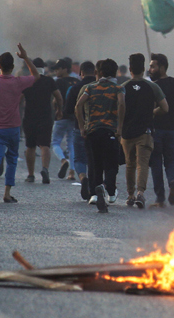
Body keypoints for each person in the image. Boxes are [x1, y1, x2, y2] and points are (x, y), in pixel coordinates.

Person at [0, 45, 40, 203]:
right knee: (11, 160)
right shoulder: (18, 82)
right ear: (12, 67)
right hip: (13, 128)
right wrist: (25, 57)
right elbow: (36, 75)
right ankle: (7, 193)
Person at [75, 59, 124, 213]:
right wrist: (120, 127)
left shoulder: (90, 88)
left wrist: (82, 126)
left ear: (98, 72)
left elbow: (78, 106)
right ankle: (109, 192)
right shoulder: (118, 88)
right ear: (114, 72)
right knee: (111, 163)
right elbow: (122, 104)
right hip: (110, 131)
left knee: (94, 163)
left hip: (92, 131)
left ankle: (94, 194)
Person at [120, 53, 167, 209]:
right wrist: (152, 112)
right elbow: (165, 108)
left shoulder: (123, 88)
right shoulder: (152, 86)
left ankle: (130, 195)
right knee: (143, 164)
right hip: (145, 132)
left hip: (127, 132)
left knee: (130, 164)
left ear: (130, 69)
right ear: (144, 69)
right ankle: (140, 193)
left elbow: (118, 109)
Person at [148, 53, 174, 207]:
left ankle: (160, 199)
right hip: (172, 131)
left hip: (156, 131)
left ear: (162, 67)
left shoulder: (153, 86)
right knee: (171, 162)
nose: (149, 69)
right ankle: (173, 181)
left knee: (156, 164)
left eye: (153, 66)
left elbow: (149, 110)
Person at [22, 57, 62, 184]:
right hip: (45, 116)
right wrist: (59, 109)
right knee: (45, 145)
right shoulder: (49, 81)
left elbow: (18, 98)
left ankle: (30, 174)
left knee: (30, 146)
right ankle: (45, 169)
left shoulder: (26, 81)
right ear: (43, 68)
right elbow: (59, 97)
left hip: (29, 117)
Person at [64, 61, 97, 192]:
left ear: (81, 73)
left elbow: (68, 110)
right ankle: (95, 183)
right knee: (95, 157)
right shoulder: (100, 87)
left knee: (79, 157)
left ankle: (83, 178)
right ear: (95, 72)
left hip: (79, 127)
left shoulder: (75, 88)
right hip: (97, 128)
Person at [51, 59, 79, 180]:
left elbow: (56, 99)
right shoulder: (78, 82)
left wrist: (57, 109)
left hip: (61, 116)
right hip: (74, 117)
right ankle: (72, 172)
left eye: (58, 68)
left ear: (65, 69)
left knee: (55, 142)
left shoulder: (58, 82)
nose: (56, 71)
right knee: (71, 144)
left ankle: (63, 160)